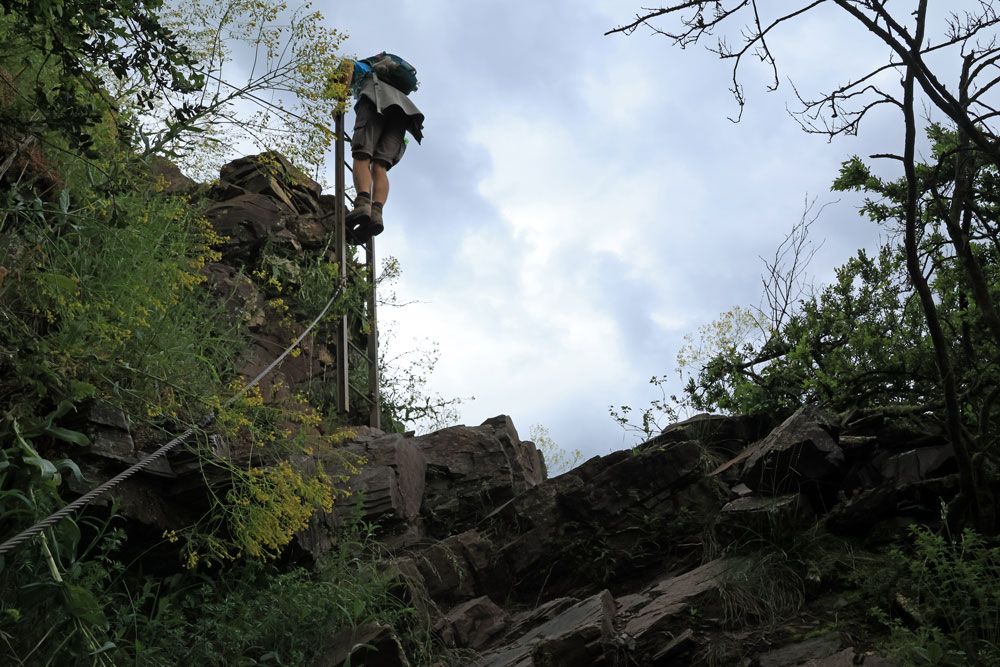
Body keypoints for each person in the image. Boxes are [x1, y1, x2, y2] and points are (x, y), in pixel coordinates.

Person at [341, 56, 424, 242]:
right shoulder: (391, 78)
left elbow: (347, 65)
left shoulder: (365, 68)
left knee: (362, 155)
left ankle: (363, 204)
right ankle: (376, 212)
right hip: (404, 113)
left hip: (376, 100)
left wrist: (339, 103)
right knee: (380, 166)